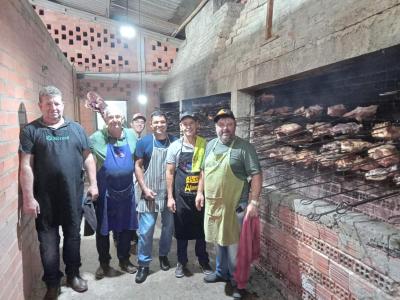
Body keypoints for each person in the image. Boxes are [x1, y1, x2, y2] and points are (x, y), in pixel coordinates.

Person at [19, 86, 98, 299]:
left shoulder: (76, 129)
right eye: (48, 104)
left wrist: (94, 184)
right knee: (48, 245)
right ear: (40, 106)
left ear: (62, 104)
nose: (53, 108)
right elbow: (25, 165)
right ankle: (52, 282)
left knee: (73, 238)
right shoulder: (31, 130)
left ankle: (73, 275)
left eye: (56, 103)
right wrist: (28, 198)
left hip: (72, 197)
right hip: (44, 201)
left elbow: (88, 157)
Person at [197, 109, 262, 300]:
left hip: (235, 207)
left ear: (234, 125)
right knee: (219, 244)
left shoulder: (244, 148)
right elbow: (203, 171)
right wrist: (200, 192)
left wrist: (254, 202)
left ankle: (237, 282)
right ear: (216, 126)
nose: (225, 128)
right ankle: (221, 273)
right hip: (214, 207)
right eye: (221, 124)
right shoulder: (210, 145)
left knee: (235, 250)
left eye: (229, 124)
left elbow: (256, 175)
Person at [90, 106, 139, 279]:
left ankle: (124, 260)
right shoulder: (97, 138)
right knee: (103, 230)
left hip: (127, 193)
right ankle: (104, 263)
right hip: (106, 193)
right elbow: (85, 155)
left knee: (126, 228)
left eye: (118, 116)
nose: (115, 120)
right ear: (104, 119)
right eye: (110, 117)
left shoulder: (132, 135)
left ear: (123, 118)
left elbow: (138, 160)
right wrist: (91, 183)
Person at [166, 112, 212, 278]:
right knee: (181, 231)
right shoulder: (174, 147)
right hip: (181, 196)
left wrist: (200, 192)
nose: (188, 126)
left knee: (201, 231)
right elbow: (170, 172)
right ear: (180, 127)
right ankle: (182, 261)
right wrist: (170, 197)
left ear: (196, 124)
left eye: (191, 123)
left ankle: (203, 260)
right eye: (184, 123)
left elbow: (204, 171)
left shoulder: (203, 145)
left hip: (198, 195)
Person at [134, 110, 177, 283]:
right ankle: (143, 264)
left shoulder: (174, 141)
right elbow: (138, 166)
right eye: (156, 122)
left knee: (168, 228)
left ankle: (163, 255)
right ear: (151, 125)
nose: (159, 125)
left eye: (162, 122)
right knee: (146, 230)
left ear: (167, 123)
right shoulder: (144, 142)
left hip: (169, 194)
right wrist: (144, 188)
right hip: (149, 193)